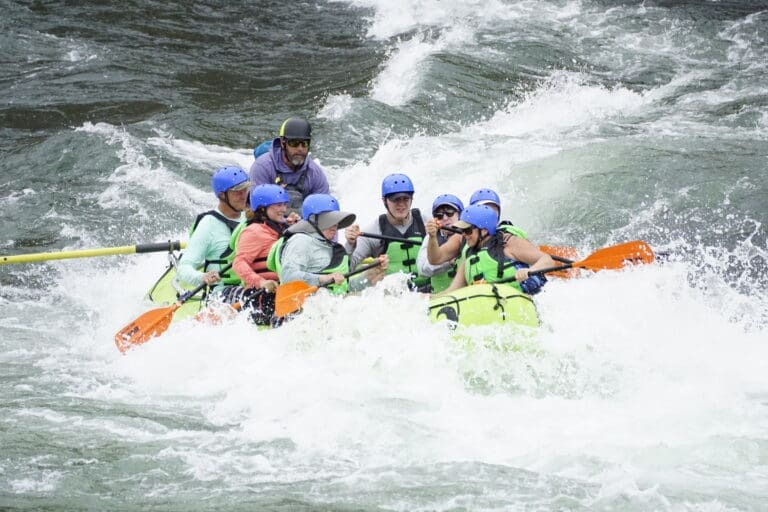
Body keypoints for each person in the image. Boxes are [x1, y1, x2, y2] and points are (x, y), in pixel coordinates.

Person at [268, 194, 387, 294]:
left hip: (330, 306)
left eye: (336, 221)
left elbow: (343, 289)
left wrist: (370, 275)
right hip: (306, 310)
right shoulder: (301, 241)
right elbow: (288, 276)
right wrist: (324, 278)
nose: (335, 225)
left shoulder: (325, 245)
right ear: (313, 219)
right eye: (330, 220)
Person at [440, 204, 555, 295]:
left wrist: (530, 271)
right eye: (462, 231)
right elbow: (451, 291)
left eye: (468, 231)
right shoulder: (469, 256)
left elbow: (547, 260)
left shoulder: (507, 243)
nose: (464, 235)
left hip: (529, 299)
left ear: (484, 230)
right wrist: (427, 299)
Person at [215, 184, 290, 324]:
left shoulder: (284, 228)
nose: (284, 209)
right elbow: (239, 263)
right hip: (261, 293)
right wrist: (261, 282)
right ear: (263, 208)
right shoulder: (254, 232)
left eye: (284, 205)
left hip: (282, 289)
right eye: (278, 205)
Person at [345, 173, 431, 291]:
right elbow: (349, 268)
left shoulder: (426, 222)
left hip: (429, 290)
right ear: (384, 201)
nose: (401, 204)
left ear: (411, 199)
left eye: (405, 198)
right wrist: (350, 244)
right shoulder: (373, 231)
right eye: (396, 199)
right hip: (394, 296)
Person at [177, 166, 249, 292]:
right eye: (237, 191)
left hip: (252, 287)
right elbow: (183, 268)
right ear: (222, 195)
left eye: (245, 189)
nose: (244, 195)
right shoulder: (208, 225)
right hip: (222, 294)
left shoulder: (252, 216)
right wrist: (203, 277)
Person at [248, 117, 330, 215]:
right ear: (283, 143)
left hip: (301, 224)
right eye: (294, 143)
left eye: (305, 143)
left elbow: (324, 213)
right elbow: (257, 211)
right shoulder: (262, 167)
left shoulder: (315, 173)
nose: (300, 148)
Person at [416, 194, 465, 293]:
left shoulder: (470, 233)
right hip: (439, 296)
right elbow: (422, 270)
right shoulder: (431, 237)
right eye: (439, 215)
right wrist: (448, 261)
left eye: (450, 212)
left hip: (465, 293)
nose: (445, 218)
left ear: (459, 214)